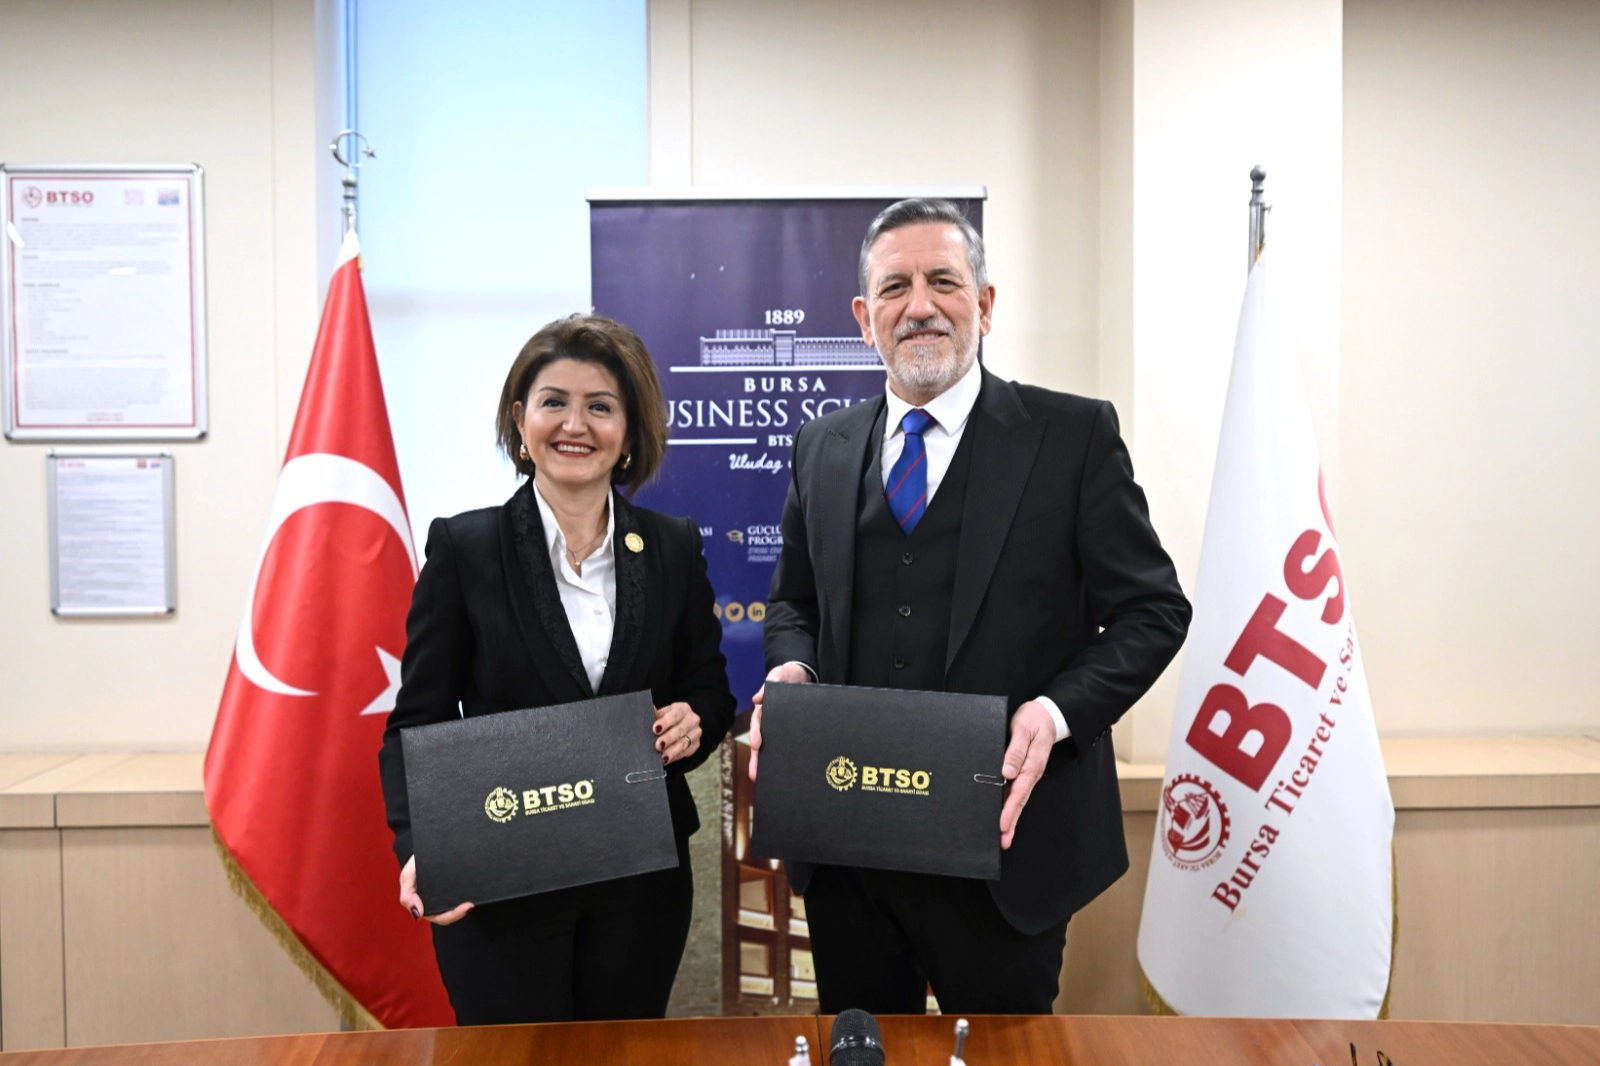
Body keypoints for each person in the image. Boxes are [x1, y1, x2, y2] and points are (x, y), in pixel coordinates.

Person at [750, 199, 1191, 1015]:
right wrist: (792, 667)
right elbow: (794, 604)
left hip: (1007, 853)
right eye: (895, 288)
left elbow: (1153, 611)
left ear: (984, 304)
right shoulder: (823, 446)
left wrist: (1056, 712)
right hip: (849, 848)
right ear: (865, 319)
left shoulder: (1073, 436)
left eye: (944, 282)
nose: (920, 305)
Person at [377, 313, 735, 1024]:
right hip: (500, 881)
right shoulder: (465, 549)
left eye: (600, 406)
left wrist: (694, 723)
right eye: (554, 402)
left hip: (639, 884)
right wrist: (421, 846)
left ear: (629, 431)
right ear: (521, 420)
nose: (576, 424)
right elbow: (414, 724)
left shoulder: (673, 547)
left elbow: (708, 691)